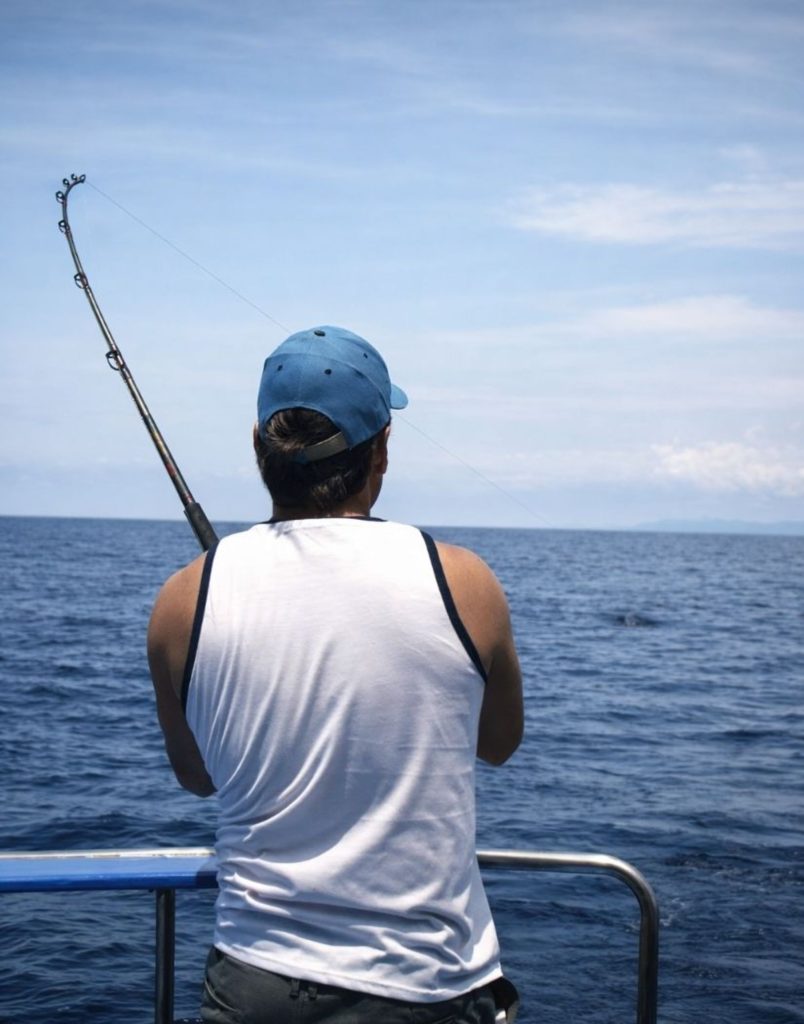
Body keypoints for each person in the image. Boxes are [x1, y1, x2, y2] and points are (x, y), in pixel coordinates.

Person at [148, 326, 524, 1023]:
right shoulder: (464, 582)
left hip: (255, 983)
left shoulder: (181, 600)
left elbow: (198, 776)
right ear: (381, 450)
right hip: (427, 985)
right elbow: (499, 744)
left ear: (259, 447)